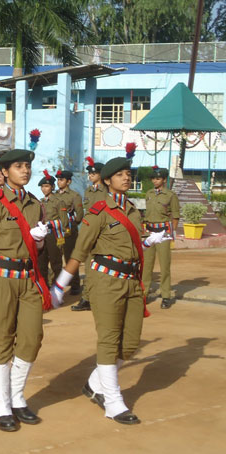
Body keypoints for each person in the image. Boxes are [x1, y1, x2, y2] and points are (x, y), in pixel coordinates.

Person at [50, 156, 171, 425]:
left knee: (129, 344)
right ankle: (113, 401)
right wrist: (61, 284)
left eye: (128, 173)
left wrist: (149, 240)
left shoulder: (131, 209)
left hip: (131, 280)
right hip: (105, 281)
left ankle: (94, 383)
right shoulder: (99, 211)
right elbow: (80, 250)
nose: (126, 178)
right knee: (108, 339)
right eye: (120, 175)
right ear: (107, 180)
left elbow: (131, 242)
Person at [0, 149, 51, 432]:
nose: (25, 170)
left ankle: (16, 397)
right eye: (18, 166)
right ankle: (2, 406)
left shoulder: (34, 204)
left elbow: (36, 247)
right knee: (1, 340)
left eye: (27, 166)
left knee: (31, 337)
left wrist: (39, 241)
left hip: (28, 277)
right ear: (4, 172)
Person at [142, 165, 180, 309]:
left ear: (164, 179)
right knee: (147, 266)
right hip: (149, 232)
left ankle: (165, 296)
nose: (155, 181)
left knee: (165, 266)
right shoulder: (149, 193)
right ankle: (144, 294)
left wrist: (171, 233)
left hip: (163, 233)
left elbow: (175, 216)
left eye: (158, 178)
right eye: (153, 178)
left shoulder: (170, 195)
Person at [72, 157, 107, 311]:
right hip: (89, 233)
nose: (90, 176)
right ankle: (87, 298)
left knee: (104, 268)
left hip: (103, 234)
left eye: (93, 174)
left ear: (100, 174)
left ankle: (102, 298)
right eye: (90, 174)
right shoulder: (88, 190)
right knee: (88, 268)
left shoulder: (106, 191)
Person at [55, 169, 83, 294]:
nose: (58, 182)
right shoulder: (54, 195)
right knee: (56, 256)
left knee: (70, 256)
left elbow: (80, 213)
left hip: (69, 229)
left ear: (68, 181)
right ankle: (57, 283)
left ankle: (75, 284)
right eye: (58, 180)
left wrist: (73, 223)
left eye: (61, 180)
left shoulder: (74, 195)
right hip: (56, 229)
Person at [37, 169, 67, 286]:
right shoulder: (39, 202)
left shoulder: (59, 202)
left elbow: (64, 222)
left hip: (54, 236)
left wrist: (51, 224)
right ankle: (44, 287)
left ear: (52, 187)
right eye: (42, 187)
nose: (44, 189)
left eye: (47, 186)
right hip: (42, 237)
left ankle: (57, 288)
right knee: (42, 263)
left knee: (56, 264)